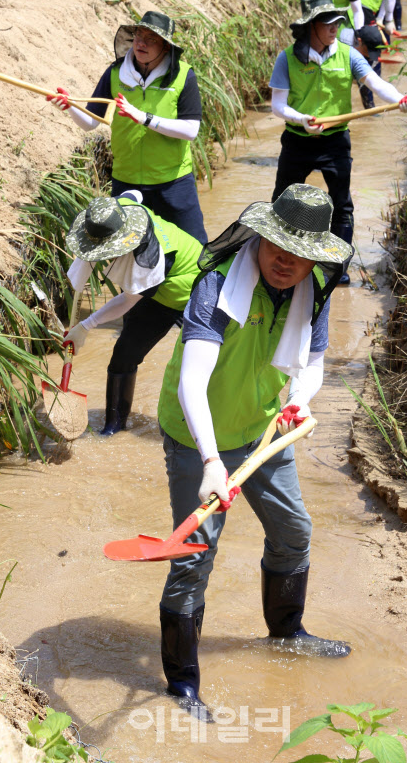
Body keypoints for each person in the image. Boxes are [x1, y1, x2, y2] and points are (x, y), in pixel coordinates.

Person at [156, 184, 354, 715]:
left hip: (262, 428)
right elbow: (191, 382)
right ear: (261, 238)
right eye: (277, 248)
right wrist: (211, 463)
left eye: (300, 253)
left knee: (295, 532)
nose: (286, 261)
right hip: (196, 435)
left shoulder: (314, 290)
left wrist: (301, 400)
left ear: (316, 254)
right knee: (194, 556)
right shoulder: (218, 287)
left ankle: (287, 633)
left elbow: (311, 360)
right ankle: (182, 683)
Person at [268, 0, 407, 283]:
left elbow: (375, 83)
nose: (335, 26)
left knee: (342, 204)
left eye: (338, 20)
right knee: (282, 201)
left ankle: (335, 269)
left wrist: (400, 98)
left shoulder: (348, 54)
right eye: (328, 21)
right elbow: (277, 106)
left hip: (335, 141)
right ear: (311, 26)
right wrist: (301, 120)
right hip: (298, 139)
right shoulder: (287, 58)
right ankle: (275, 258)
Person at [48, 11, 207, 244]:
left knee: (195, 250)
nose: (142, 43)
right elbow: (91, 122)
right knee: (128, 256)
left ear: (165, 47)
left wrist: (144, 118)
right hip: (127, 182)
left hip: (174, 183)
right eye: (139, 35)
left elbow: (190, 130)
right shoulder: (115, 73)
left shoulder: (183, 75)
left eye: (151, 39)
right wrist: (70, 106)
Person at [64, 191, 202, 436]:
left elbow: (127, 301)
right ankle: (113, 427)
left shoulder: (147, 260)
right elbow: (133, 194)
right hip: (158, 293)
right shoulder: (118, 211)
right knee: (124, 353)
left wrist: (87, 325)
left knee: (199, 360)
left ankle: (194, 426)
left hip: (194, 290)